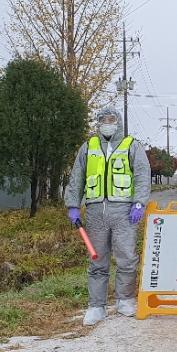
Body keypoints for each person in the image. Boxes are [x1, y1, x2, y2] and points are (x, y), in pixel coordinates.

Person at [65, 105, 152, 326]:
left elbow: (142, 175)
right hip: (95, 212)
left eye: (111, 119)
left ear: (119, 121)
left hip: (124, 212)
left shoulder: (132, 146)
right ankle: (96, 306)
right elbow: (77, 177)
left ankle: (125, 300)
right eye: (102, 119)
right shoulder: (88, 147)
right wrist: (73, 205)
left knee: (126, 257)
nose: (107, 123)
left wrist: (139, 203)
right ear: (97, 123)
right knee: (97, 260)